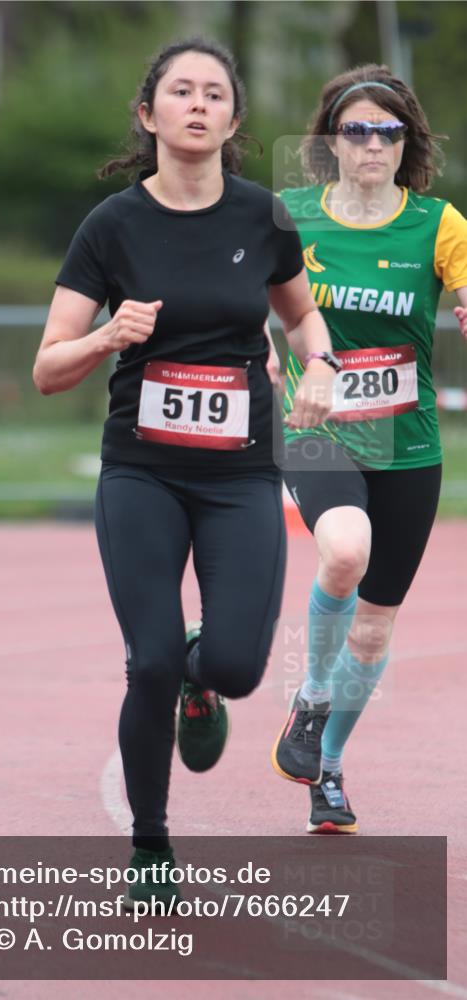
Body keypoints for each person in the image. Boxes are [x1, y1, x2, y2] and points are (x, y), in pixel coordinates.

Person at [34, 37, 336, 905]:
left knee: (234, 666)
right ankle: (150, 847)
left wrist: (319, 365)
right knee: (151, 660)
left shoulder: (262, 218)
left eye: (213, 93)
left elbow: (300, 319)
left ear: (233, 121)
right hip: (143, 473)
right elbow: (47, 367)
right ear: (148, 114)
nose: (197, 104)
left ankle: (205, 682)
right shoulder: (111, 226)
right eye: (180, 91)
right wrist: (106, 336)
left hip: (239, 474)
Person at [271, 64, 467, 834]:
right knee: (344, 551)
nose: (372, 145)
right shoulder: (289, 218)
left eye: (388, 131)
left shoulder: (437, 224)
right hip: (316, 429)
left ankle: (326, 765)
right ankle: (312, 695)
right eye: (356, 130)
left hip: (406, 443)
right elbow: (243, 295)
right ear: (331, 141)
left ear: (406, 141)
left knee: (375, 624)